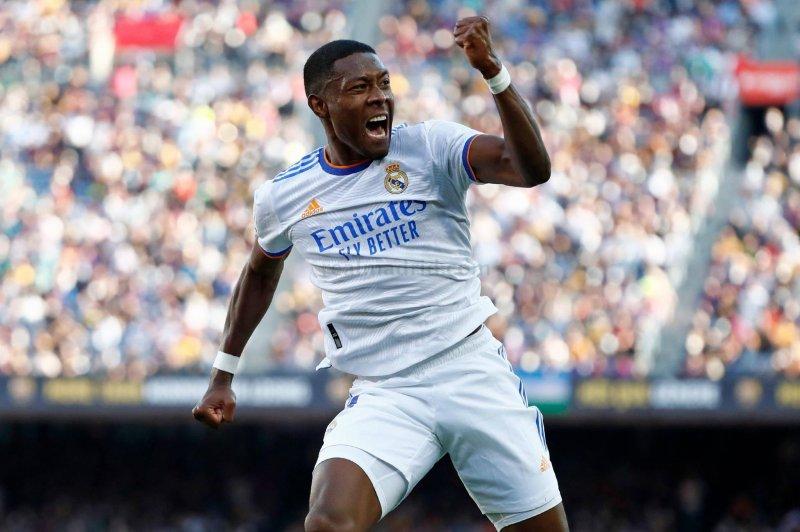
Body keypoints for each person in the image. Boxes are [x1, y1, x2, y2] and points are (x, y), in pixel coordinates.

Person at [192, 16, 568, 531]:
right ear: (320, 105)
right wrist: (223, 373)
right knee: (328, 523)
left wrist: (493, 73)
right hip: (386, 390)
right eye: (360, 88)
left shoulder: (431, 146)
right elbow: (259, 274)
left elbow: (530, 169)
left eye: (384, 83)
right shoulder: (285, 195)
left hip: (469, 369)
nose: (380, 98)